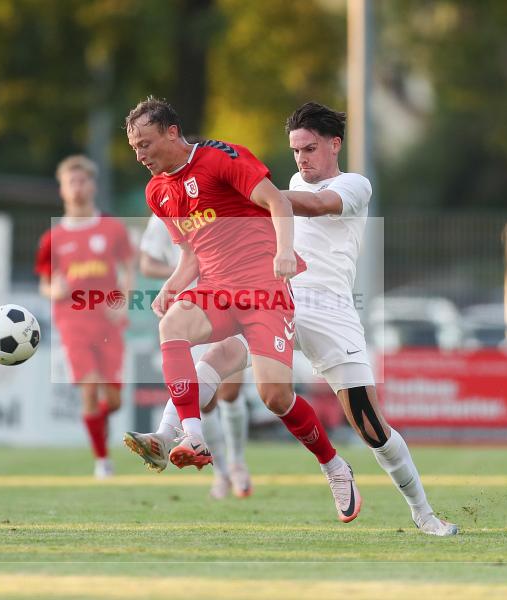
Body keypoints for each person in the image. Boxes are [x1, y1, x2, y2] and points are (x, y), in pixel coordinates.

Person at [127, 101, 457, 536]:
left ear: (334, 144)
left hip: (330, 311)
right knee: (215, 359)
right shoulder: (279, 182)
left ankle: (423, 513)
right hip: (274, 293)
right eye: (296, 150)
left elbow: (316, 206)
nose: (302, 157)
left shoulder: (355, 184)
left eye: (310, 147)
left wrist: (245, 188)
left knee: (371, 426)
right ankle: (171, 436)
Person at [124, 96, 362, 523]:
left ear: (172, 133)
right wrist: (171, 287)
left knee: (276, 397)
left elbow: (278, 202)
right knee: (172, 325)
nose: (139, 154)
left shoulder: (220, 158)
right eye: (134, 147)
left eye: (145, 143)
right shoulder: (158, 192)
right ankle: (189, 436)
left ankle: (333, 465)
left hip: (264, 292)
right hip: (217, 290)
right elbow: (191, 256)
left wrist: (285, 252)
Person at [137, 214, 252, 499]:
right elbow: (147, 263)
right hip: (187, 313)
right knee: (207, 402)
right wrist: (181, 271)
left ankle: (237, 461)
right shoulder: (162, 210)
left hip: (226, 302)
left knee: (231, 392)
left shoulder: (215, 200)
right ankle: (221, 471)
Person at [35, 156, 135, 479]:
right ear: (62, 190)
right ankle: (102, 461)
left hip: (108, 321)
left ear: (92, 185)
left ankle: (101, 420)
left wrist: (122, 301)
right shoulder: (53, 237)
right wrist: (55, 289)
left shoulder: (112, 228)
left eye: (82, 181)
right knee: (89, 388)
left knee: (115, 400)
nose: (77, 188)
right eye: (71, 182)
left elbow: (128, 269)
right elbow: (44, 284)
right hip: (73, 320)